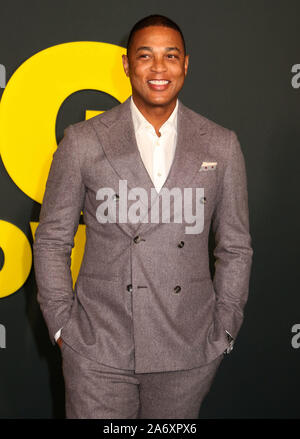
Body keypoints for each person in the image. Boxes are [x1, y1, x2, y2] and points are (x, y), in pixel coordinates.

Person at [33, 14, 253, 419]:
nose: (158, 68)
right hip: (99, 347)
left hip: (187, 348)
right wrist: (64, 328)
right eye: (145, 56)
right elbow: (51, 241)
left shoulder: (221, 146)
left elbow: (235, 247)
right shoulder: (83, 142)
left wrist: (225, 328)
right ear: (126, 64)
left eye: (170, 56)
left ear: (185, 63)